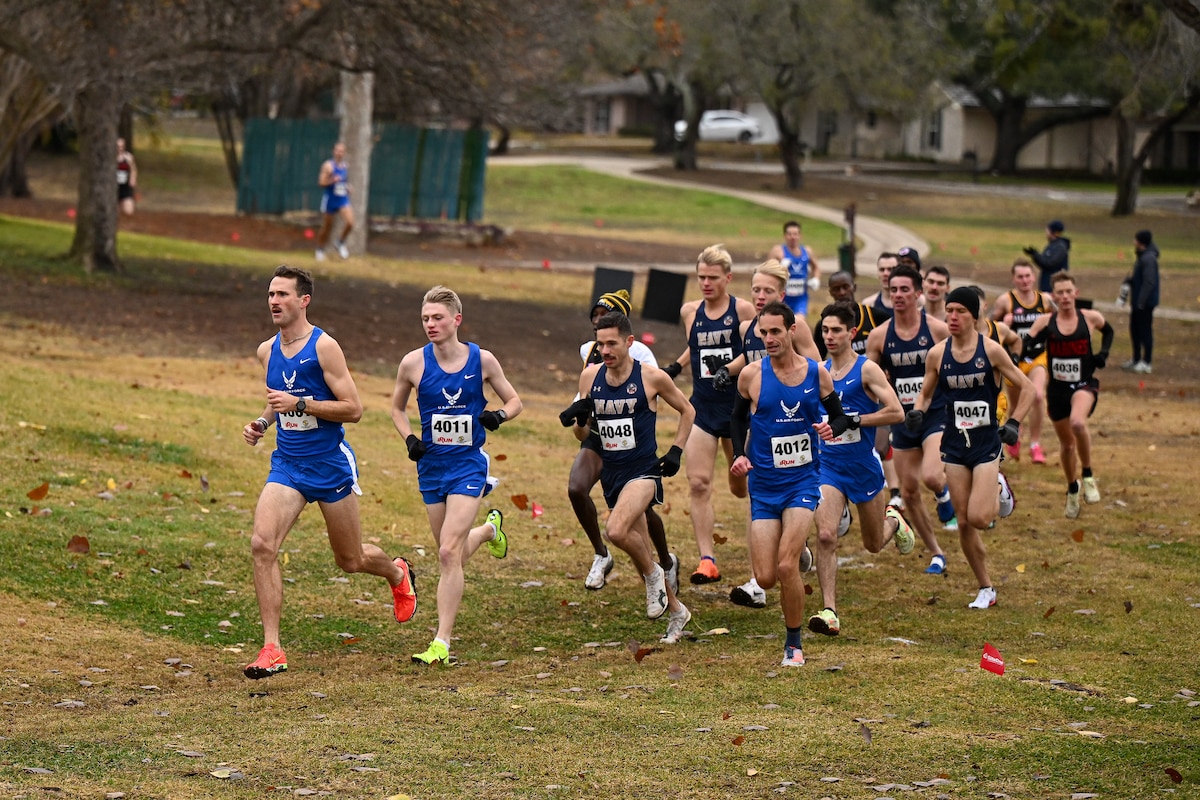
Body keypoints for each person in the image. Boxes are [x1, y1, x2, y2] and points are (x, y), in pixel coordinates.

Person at [241, 265, 416, 679]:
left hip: (329, 464)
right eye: (270, 294)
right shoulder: (267, 350)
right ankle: (272, 648)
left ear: (304, 301)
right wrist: (263, 423)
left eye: (283, 294)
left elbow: (353, 409)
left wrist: (302, 405)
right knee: (262, 545)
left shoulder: (324, 347)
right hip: (288, 465)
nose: (274, 301)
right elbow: (276, 398)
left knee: (350, 560)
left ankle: (396, 571)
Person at [390, 285, 523, 664]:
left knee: (448, 551)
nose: (430, 325)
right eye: (425, 319)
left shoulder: (482, 361)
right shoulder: (412, 364)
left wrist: (498, 415)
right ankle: (488, 531)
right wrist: (410, 437)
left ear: (456, 320)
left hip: (467, 464)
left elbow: (515, 401)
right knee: (453, 552)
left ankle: (442, 643)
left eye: (437, 318)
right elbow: (396, 409)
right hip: (430, 466)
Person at [729, 302, 851, 666]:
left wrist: (832, 428)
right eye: (763, 333)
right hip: (764, 486)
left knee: (785, 567)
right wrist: (738, 453)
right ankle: (797, 554)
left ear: (792, 330)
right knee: (766, 578)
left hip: (803, 480)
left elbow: (841, 418)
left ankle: (793, 645)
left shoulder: (817, 374)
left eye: (775, 332)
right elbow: (736, 419)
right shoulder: (751, 376)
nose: (768, 339)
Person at [563, 311, 695, 644]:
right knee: (639, 549)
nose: (605, 350)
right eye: (600, 343)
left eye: (612, 343)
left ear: (629, 342)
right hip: (612, 473)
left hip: (644, 471)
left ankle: (655, 575)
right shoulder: (590, 377)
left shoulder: (651, 377)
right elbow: (583, 436)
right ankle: (677, 611)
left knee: (616, 530)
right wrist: (581, 419)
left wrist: (676, 451)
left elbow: (688, 410)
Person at [905, 287, 1033, 609]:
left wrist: (1015, 422)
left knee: (979, 518)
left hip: (986, 442)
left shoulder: (991, 351)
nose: (952, 317)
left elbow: (1028, 388)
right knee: (963, 522)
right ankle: (986, 588)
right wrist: (918, 412)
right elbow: (926, 393)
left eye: (960, 311)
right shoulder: (937, 354)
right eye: (949, 311)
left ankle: (999, 487)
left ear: (974, 316)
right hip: (954, 443)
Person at [808, 303, 913, 637]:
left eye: (836, 330)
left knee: (872, 544)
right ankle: (829, 611)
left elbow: (897, 412)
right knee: (825, 535)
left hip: (864, 469)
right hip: (829, 469)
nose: (830, 336)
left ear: (852, 333)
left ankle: (894, 520)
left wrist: (855, 419)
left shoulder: (867, 370)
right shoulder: (818, 372)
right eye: (825, 330)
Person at [565, 290, 677, 593]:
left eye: (607, 316)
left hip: (633, 449)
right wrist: (580, 415)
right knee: (576, 488)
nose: (599, 321)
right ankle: (601, 555)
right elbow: (584, 406)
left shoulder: (640, 354)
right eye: (596, 316)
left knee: (640, 513)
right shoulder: (589, 352)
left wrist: (674, 449)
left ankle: (665, 563)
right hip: (598, 438)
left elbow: (655, 391)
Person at [661, 245, 756, 585]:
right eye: (701, 277)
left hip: (735, 411)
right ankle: (707, 559)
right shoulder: (690, 311)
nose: (705, 283)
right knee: (698, 483)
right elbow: (698, 344)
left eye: (713, 278)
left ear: (728, 278)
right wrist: (678, 364)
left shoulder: (742, 309)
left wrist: (729, 370)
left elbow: (753, 351)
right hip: (701, 407)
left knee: (741, 488)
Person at [865, 264, 955, 574]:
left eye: (905, 289)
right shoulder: (879, 337)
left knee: (931, 476)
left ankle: (943, 494)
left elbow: (957, 369)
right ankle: (936, 553)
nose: (899, 295)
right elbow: (867, 381)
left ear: (918, 293)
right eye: (894, 290)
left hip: (935, 416)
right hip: (902, 421)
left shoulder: (938, 330)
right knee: (910, 491)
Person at [1023, 272, 1113, 519]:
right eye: (1059, 293)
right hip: (1058, 391)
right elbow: (1026, 345)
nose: (1064, 297)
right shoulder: (1045, 322)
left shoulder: (1090, 318)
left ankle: (1088, 474)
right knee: (1066, 444)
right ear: (1053, 297)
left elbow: (1110, 332)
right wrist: (1029, 348)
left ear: (1076, 293)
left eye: (1068, 291)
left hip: (1084, 384)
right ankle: (1073, 488)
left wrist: (1102, 355)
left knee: (1078, 422)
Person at [990, 257, 1053, 463]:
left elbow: (1059, 319)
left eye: (1028, 276)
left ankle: (1035, 444)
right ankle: (1015, 430)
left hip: (1037, 357)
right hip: (1013, 360)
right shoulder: (1005, 301)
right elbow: (988, 326)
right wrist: (1002, 321)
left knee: (1037, 396)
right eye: (1020, 277)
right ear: (1013, 279)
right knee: (1016, 406)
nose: (1024, 280)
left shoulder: (1044, 300)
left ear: (1034, 278)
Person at [812, 271, 891, 358]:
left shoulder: (874, 315)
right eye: (836, 289)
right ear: (831, 292)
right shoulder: (824, 325)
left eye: (846, 287)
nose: (842, 292)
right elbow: (818, 359)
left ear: (854, 287)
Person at [1124, 230, 1159, 374]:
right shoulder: (1142, 257)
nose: (1134, 242)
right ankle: (1136, 358)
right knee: (1135, 330)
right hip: (1137, 301)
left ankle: (1147, 362)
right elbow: (1139, 278)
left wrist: (1141, 301)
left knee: (1145, 331)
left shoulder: (1148, 259)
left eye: (1135, 239)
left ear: (1141, 242)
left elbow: (1149, 282)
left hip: (1144, 303)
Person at [770, 221, 820, 318]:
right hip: (782, 297)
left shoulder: (807, 251)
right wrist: (780, 267)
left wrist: (816, 279)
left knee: (798, 322)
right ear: (785, 235)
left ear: (800, 235)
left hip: (800, 298)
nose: (792, 237)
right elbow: (766, 271)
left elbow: (816, 267)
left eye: (795, 234)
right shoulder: (778, 251)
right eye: (789, 234)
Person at [315, 142, 354, 261]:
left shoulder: (345, 166)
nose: (339, 153)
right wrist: (331, 180)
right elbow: (321, 183)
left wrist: (348, 188)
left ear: (344, 153)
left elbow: (343, 182)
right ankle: (320, 249)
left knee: (350, 223)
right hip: (330, 200)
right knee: (327, 227)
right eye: (337, 150)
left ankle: (340, 242)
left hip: (342, 199)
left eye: (342, 151)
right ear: (333, 151)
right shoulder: (328, 166)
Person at [1023, 220, 1070, 293]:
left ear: (1053, 232)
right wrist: (1034, 254)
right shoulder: (1052, 245)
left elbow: (1049, 263)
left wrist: (1035, 254)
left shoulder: (1060, 247)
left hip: (1054, 286)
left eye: (1047, 230)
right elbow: (1044, 263)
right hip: (1046, 283)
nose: (1046, 233)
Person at [116, 138, 137, 217]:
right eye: (118, 146)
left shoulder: (128, 157)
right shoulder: (111, 158)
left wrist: (133, 179)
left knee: (129, 211)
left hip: (125, 186)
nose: (120, 148)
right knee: (115, 212)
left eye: (122, 146)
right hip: (114, 187)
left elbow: (133, 169)